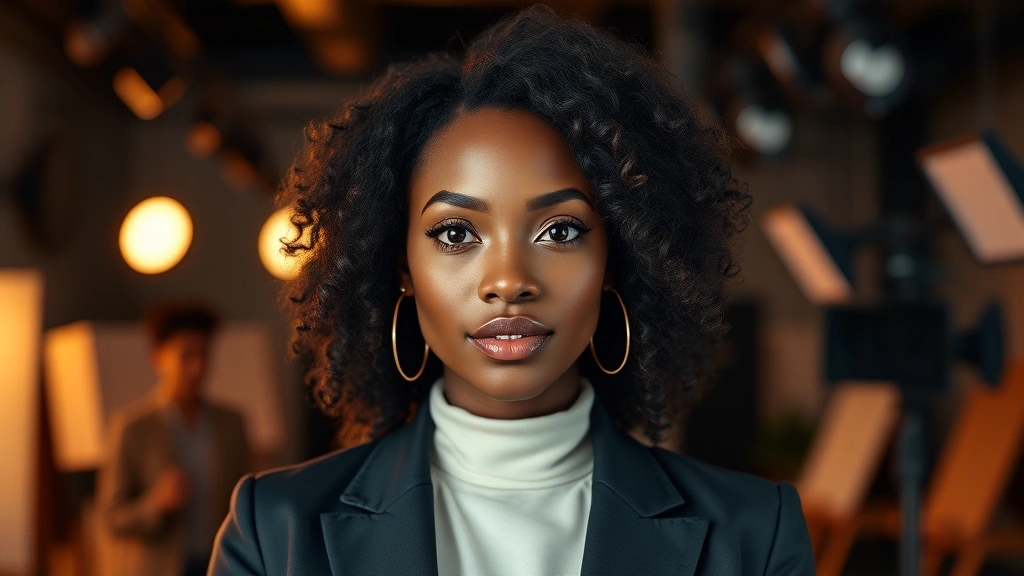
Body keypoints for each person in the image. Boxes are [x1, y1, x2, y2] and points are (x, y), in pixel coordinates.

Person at [210, 6, 815, 575]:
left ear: (616, 256)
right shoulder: (277, 533)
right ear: (400, 265)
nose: (508, 282)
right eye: (454, 232)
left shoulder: (753, 538)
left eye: (560, 230)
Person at [96, 302, 250, 576]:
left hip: (221, 564)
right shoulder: (132, 428)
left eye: (204, 355)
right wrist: (156, 503)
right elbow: (111, 517)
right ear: (158, 358)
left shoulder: (231, 423)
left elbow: (245, 499)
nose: (197, 367)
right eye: (186, 356)